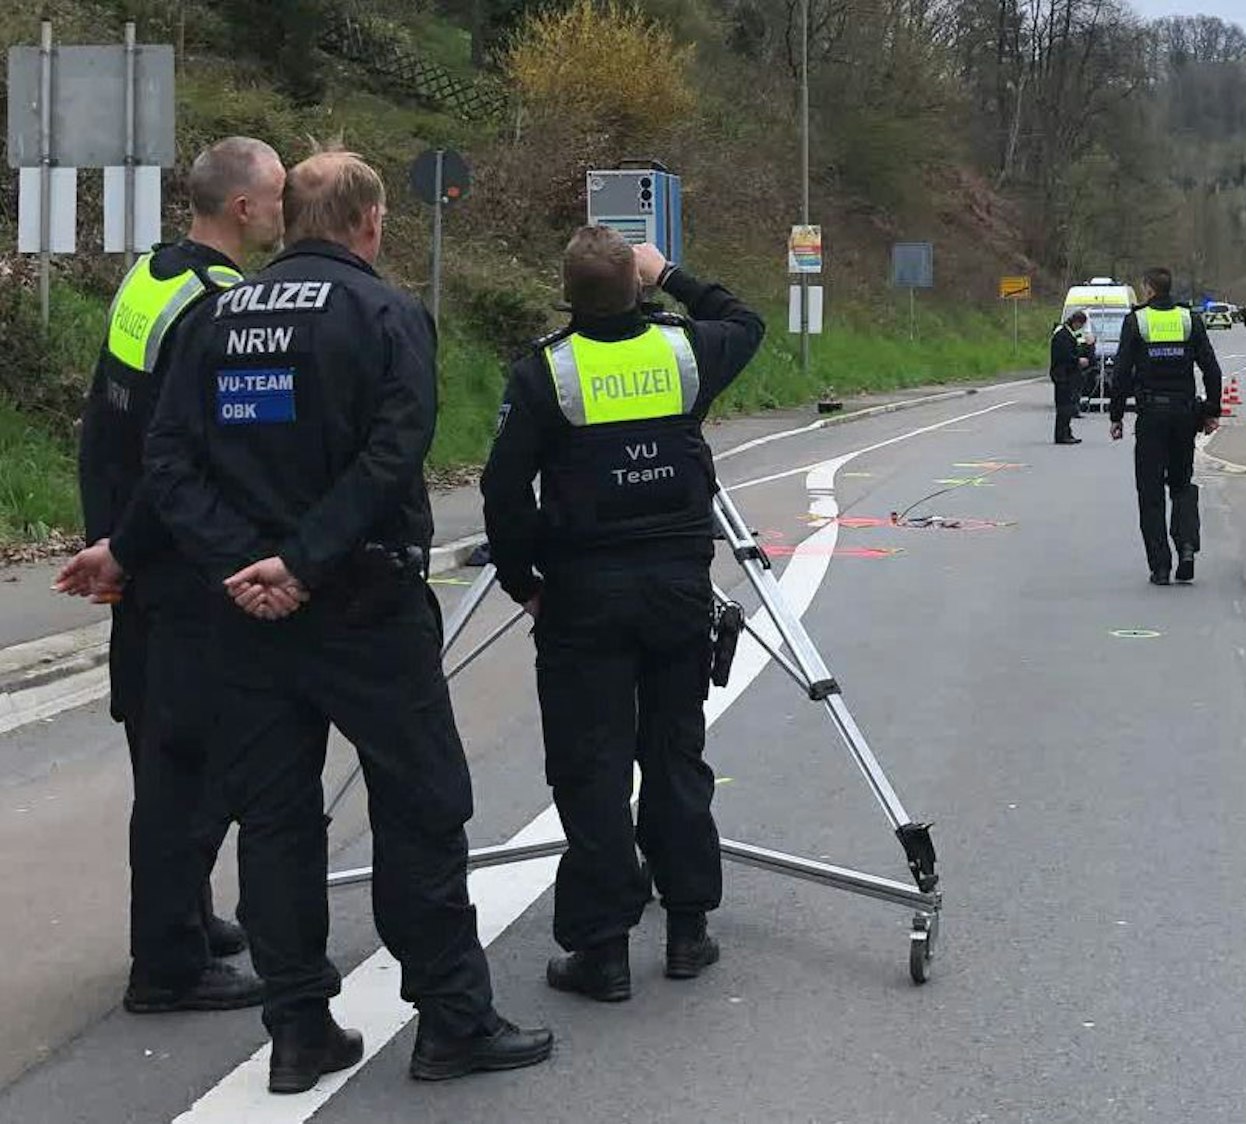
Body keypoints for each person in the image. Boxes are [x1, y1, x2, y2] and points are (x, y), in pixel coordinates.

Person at [144, 148, 553, 1094]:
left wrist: (244, 564)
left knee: (276, 820)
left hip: (246, 615)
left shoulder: (211, 317)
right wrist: (307, 557)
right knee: (421, 806)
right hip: (367, 607)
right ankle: (452, 1018)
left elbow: (166, 461)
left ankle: (297, 1031)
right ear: (369, 224)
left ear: (288, 221)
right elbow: (394, 452)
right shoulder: (385, 313)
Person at [480, 228, 764, 1002]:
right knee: (674, 754)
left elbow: (503, 491)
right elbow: (746, 321)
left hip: (582, 594)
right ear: (638, 288)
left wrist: (520, 580)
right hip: (676, 586)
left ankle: (601, 949)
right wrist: (672, 269)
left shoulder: (545, 371)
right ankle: (685, 930)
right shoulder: (684, 353)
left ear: (566, 295)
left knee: (591, 766)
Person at [54, 136, 285, 1015]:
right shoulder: (219, 308)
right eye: (275, 196)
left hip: (137, 556)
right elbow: (183, 456)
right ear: (242, 210)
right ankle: (169, 966)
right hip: (180, 564)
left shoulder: (152, 278)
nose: (283, 209)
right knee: (189, 764)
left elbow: (102, 422)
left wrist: (106, 541)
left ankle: (186, 917)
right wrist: (129, 548)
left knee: (158, 748)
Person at [1109, 267, 1223, 586]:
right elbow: (1212, 370)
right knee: (1181, 485)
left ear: (1147, 289)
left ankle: (1160, 566)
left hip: (1151, 416)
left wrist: (1116, 416)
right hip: (1185, 415)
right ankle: (1186, 546)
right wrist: (1212, 411)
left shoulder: (1137, 321)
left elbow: (1120, 374)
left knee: (1150, 492)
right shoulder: (1189, 320)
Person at [1049, 310, 1089, 444]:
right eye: (1081, 325)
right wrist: (1077, 361)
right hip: (1063, 376)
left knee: (1068, 406)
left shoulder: (1068, 334)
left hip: (1067, 375)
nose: (1081, 328)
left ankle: (1067, 432)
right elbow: (1063, 356)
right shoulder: (1063, 336)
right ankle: (1061, 435)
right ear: (1076, 322)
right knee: (1064, 407)